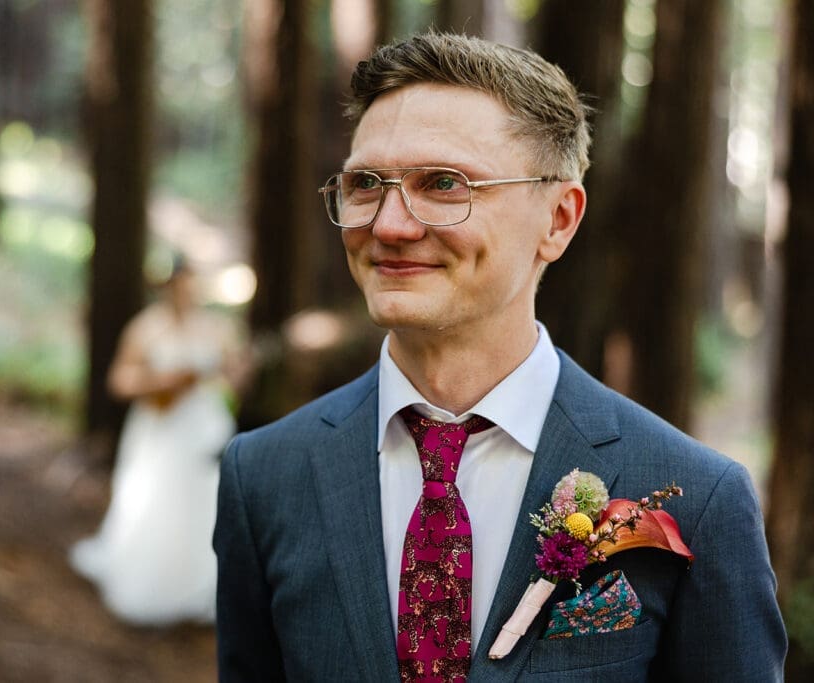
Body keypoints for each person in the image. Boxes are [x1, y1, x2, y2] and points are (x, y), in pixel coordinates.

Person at [212, 31, 786, 682]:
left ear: (558, 219)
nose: (390, 226)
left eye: (444, 183)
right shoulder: (263, 477)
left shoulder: (702, 496)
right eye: (366, 183)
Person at [70, 257, 244, 625]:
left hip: (204, 428)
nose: (186, 291)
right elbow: (119, 381)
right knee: (157, 499)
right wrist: (161, 382)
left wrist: (235, 375)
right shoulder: (146, 328)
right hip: (162, 429)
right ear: (165, 287)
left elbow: (233, 380)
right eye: (178, 284)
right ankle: (153, 582)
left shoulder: (217, 328)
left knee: (206, 503)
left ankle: (201, 590)